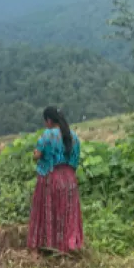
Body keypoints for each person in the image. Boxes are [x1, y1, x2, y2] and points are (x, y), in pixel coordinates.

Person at [27, 106, 83, 254]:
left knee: (50, 210)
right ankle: (69, 244)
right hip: (70, 179)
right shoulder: (73, 136)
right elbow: (76, 158)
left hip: (52, 177)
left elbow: (37, 155)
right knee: (67, 212)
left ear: (49, 121)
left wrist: (35, 154)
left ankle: (51, 244)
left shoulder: (48, 135)